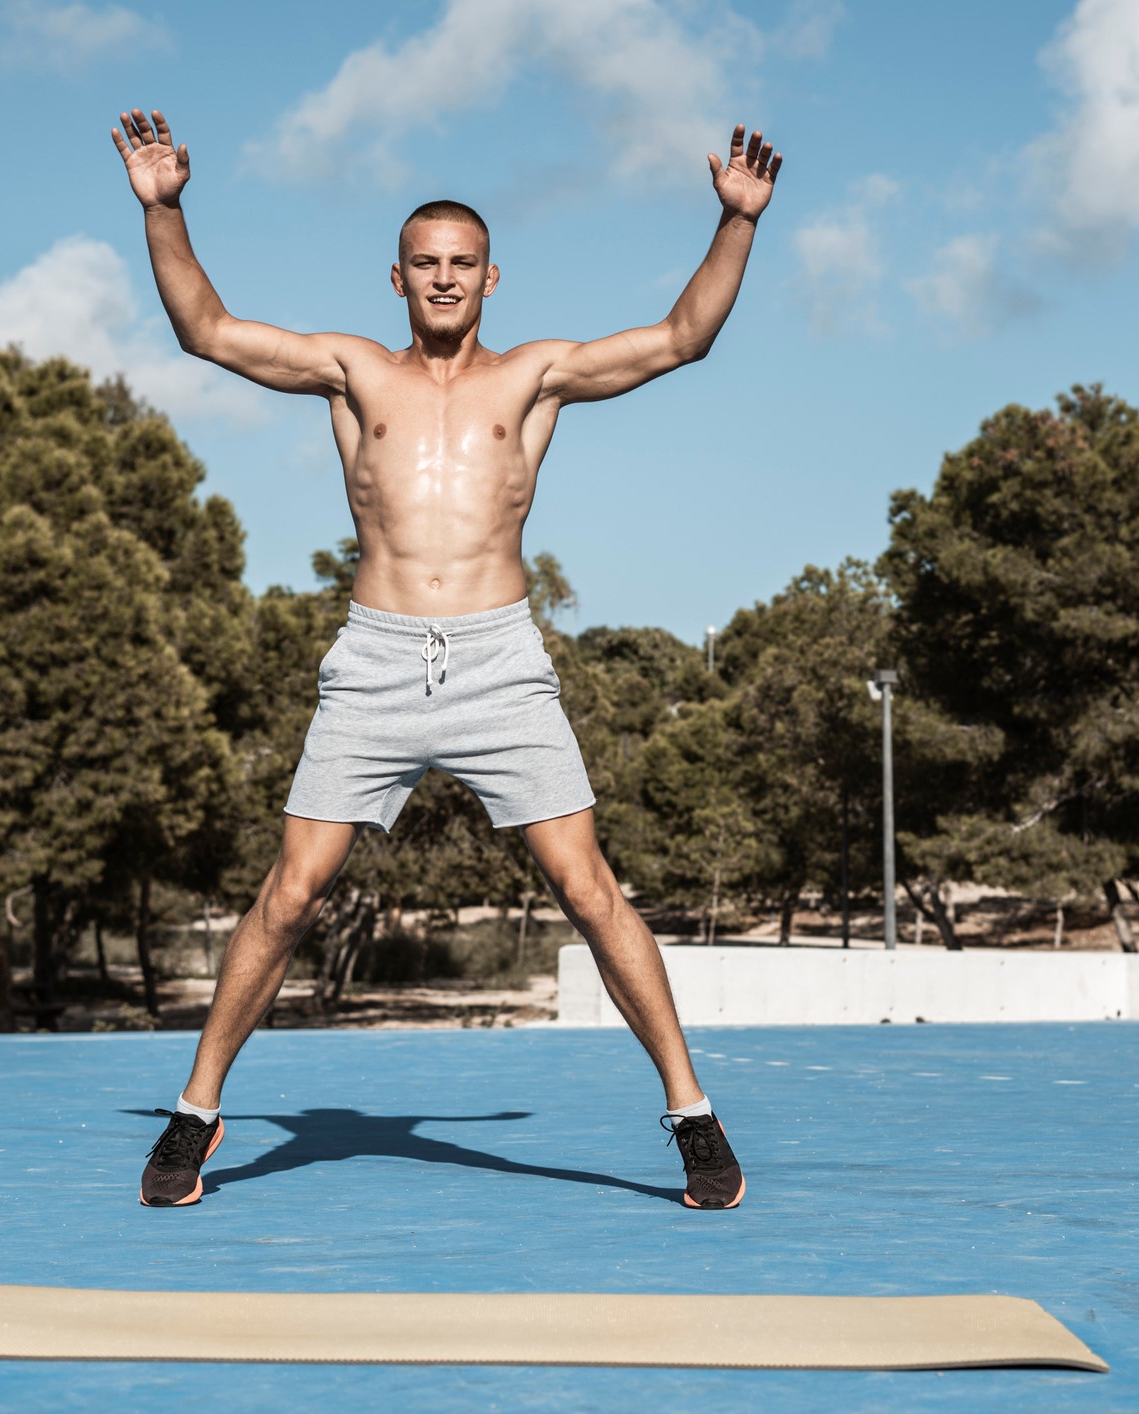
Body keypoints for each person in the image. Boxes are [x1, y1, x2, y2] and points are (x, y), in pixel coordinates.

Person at [108, 107, 781, 1211]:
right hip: (374, 661)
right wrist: (166, 207)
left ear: (492, 276)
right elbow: (208, 330)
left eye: (462, 263)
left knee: (589, 888)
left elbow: (679, 338)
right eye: (425, 264)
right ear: (397, 277)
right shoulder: (351, 372)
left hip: (499, 660)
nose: (444, 279)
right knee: (290, 895)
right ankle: (194, 1114)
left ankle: (693, 1116)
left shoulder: (536, 378)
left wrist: (736, 224)